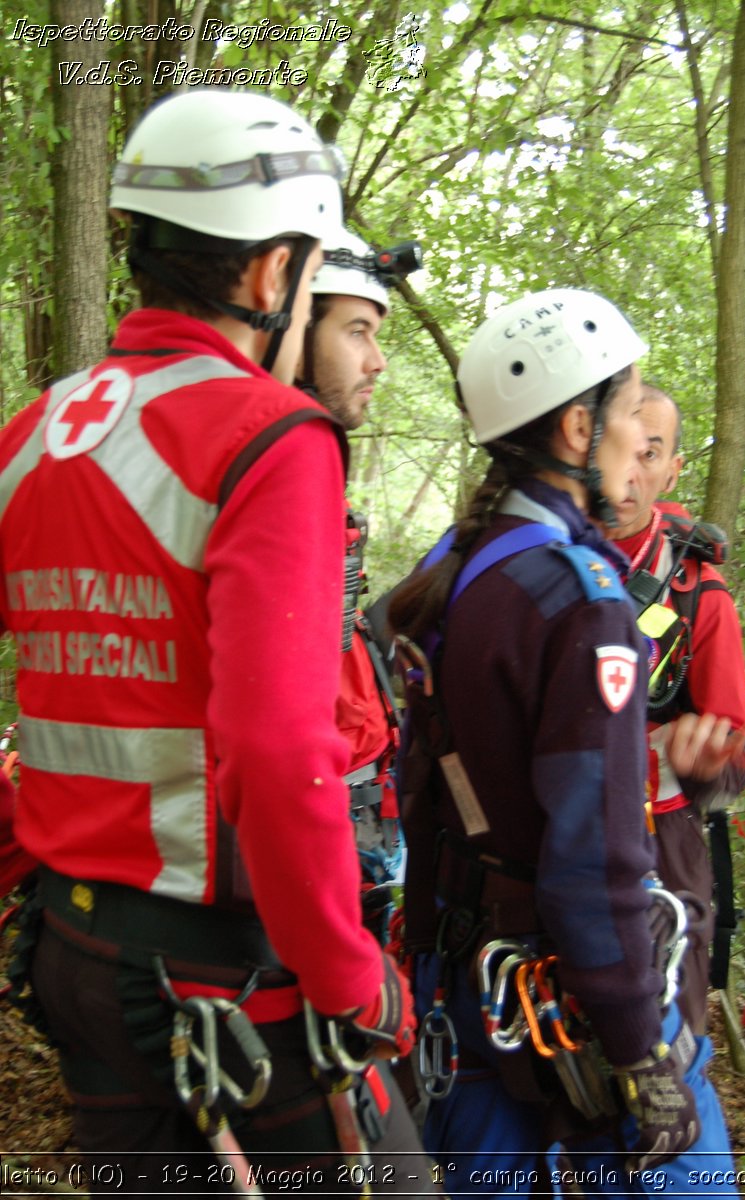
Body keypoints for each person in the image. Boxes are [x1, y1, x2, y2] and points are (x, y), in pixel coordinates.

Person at [0, 91, 429, 1194]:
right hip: (227, 969)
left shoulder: (39, 431)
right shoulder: (269, 439)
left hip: (73, 950)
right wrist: (352, 977)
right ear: (272, 276)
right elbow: (278, 756)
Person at [388, 291, 738, 1196]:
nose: (642, 443)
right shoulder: (580, 597)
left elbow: (428, 790)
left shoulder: (452, 568)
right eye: (631, 417)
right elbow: (596, 855)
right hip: (566, 997)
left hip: (465, 984)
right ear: (580, 428)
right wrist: (641, 1050)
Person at [610, 384, 745, 1034]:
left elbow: (737, 757)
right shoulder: (536, 556)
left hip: (662, 840)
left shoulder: (698, 592)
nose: (628, 472)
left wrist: (707, 759)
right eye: (619, 446)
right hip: (545, 833)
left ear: (673, 469)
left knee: (673, 1032)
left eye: (651, 453)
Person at [298, 229, 422, 942]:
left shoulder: (313, 472)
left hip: (361, 805)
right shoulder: (260, 476)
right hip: (318, 831)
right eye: (356, 332)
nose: (377, 361)